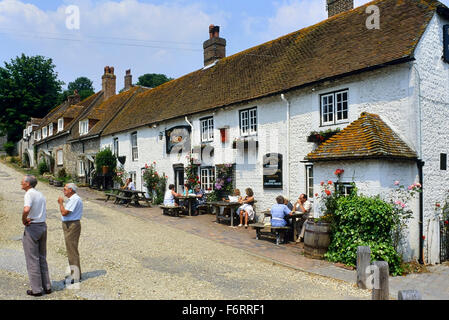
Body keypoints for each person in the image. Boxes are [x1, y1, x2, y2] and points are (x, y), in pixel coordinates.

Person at [21, 175, 52, 297]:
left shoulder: (29, 194)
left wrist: (23, 219)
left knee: (32, 259)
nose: (21, 183)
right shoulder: (40, 194)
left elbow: (26, 209)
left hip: (33, 227)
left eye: (22, 182)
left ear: (28, 183)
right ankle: (47, 286)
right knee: (42, 257)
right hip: (42, 225)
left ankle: (37, 289)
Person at [58, 183, 83, 283]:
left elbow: (64, 212)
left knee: (72, 250)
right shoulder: (73, 199)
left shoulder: (74, 199)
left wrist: (60, 203)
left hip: (71, 225)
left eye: (65, 189)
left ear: (71, 190)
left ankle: (75, 276)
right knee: (71, 250)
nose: (63, 191)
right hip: (71, 224)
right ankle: (75, 273)